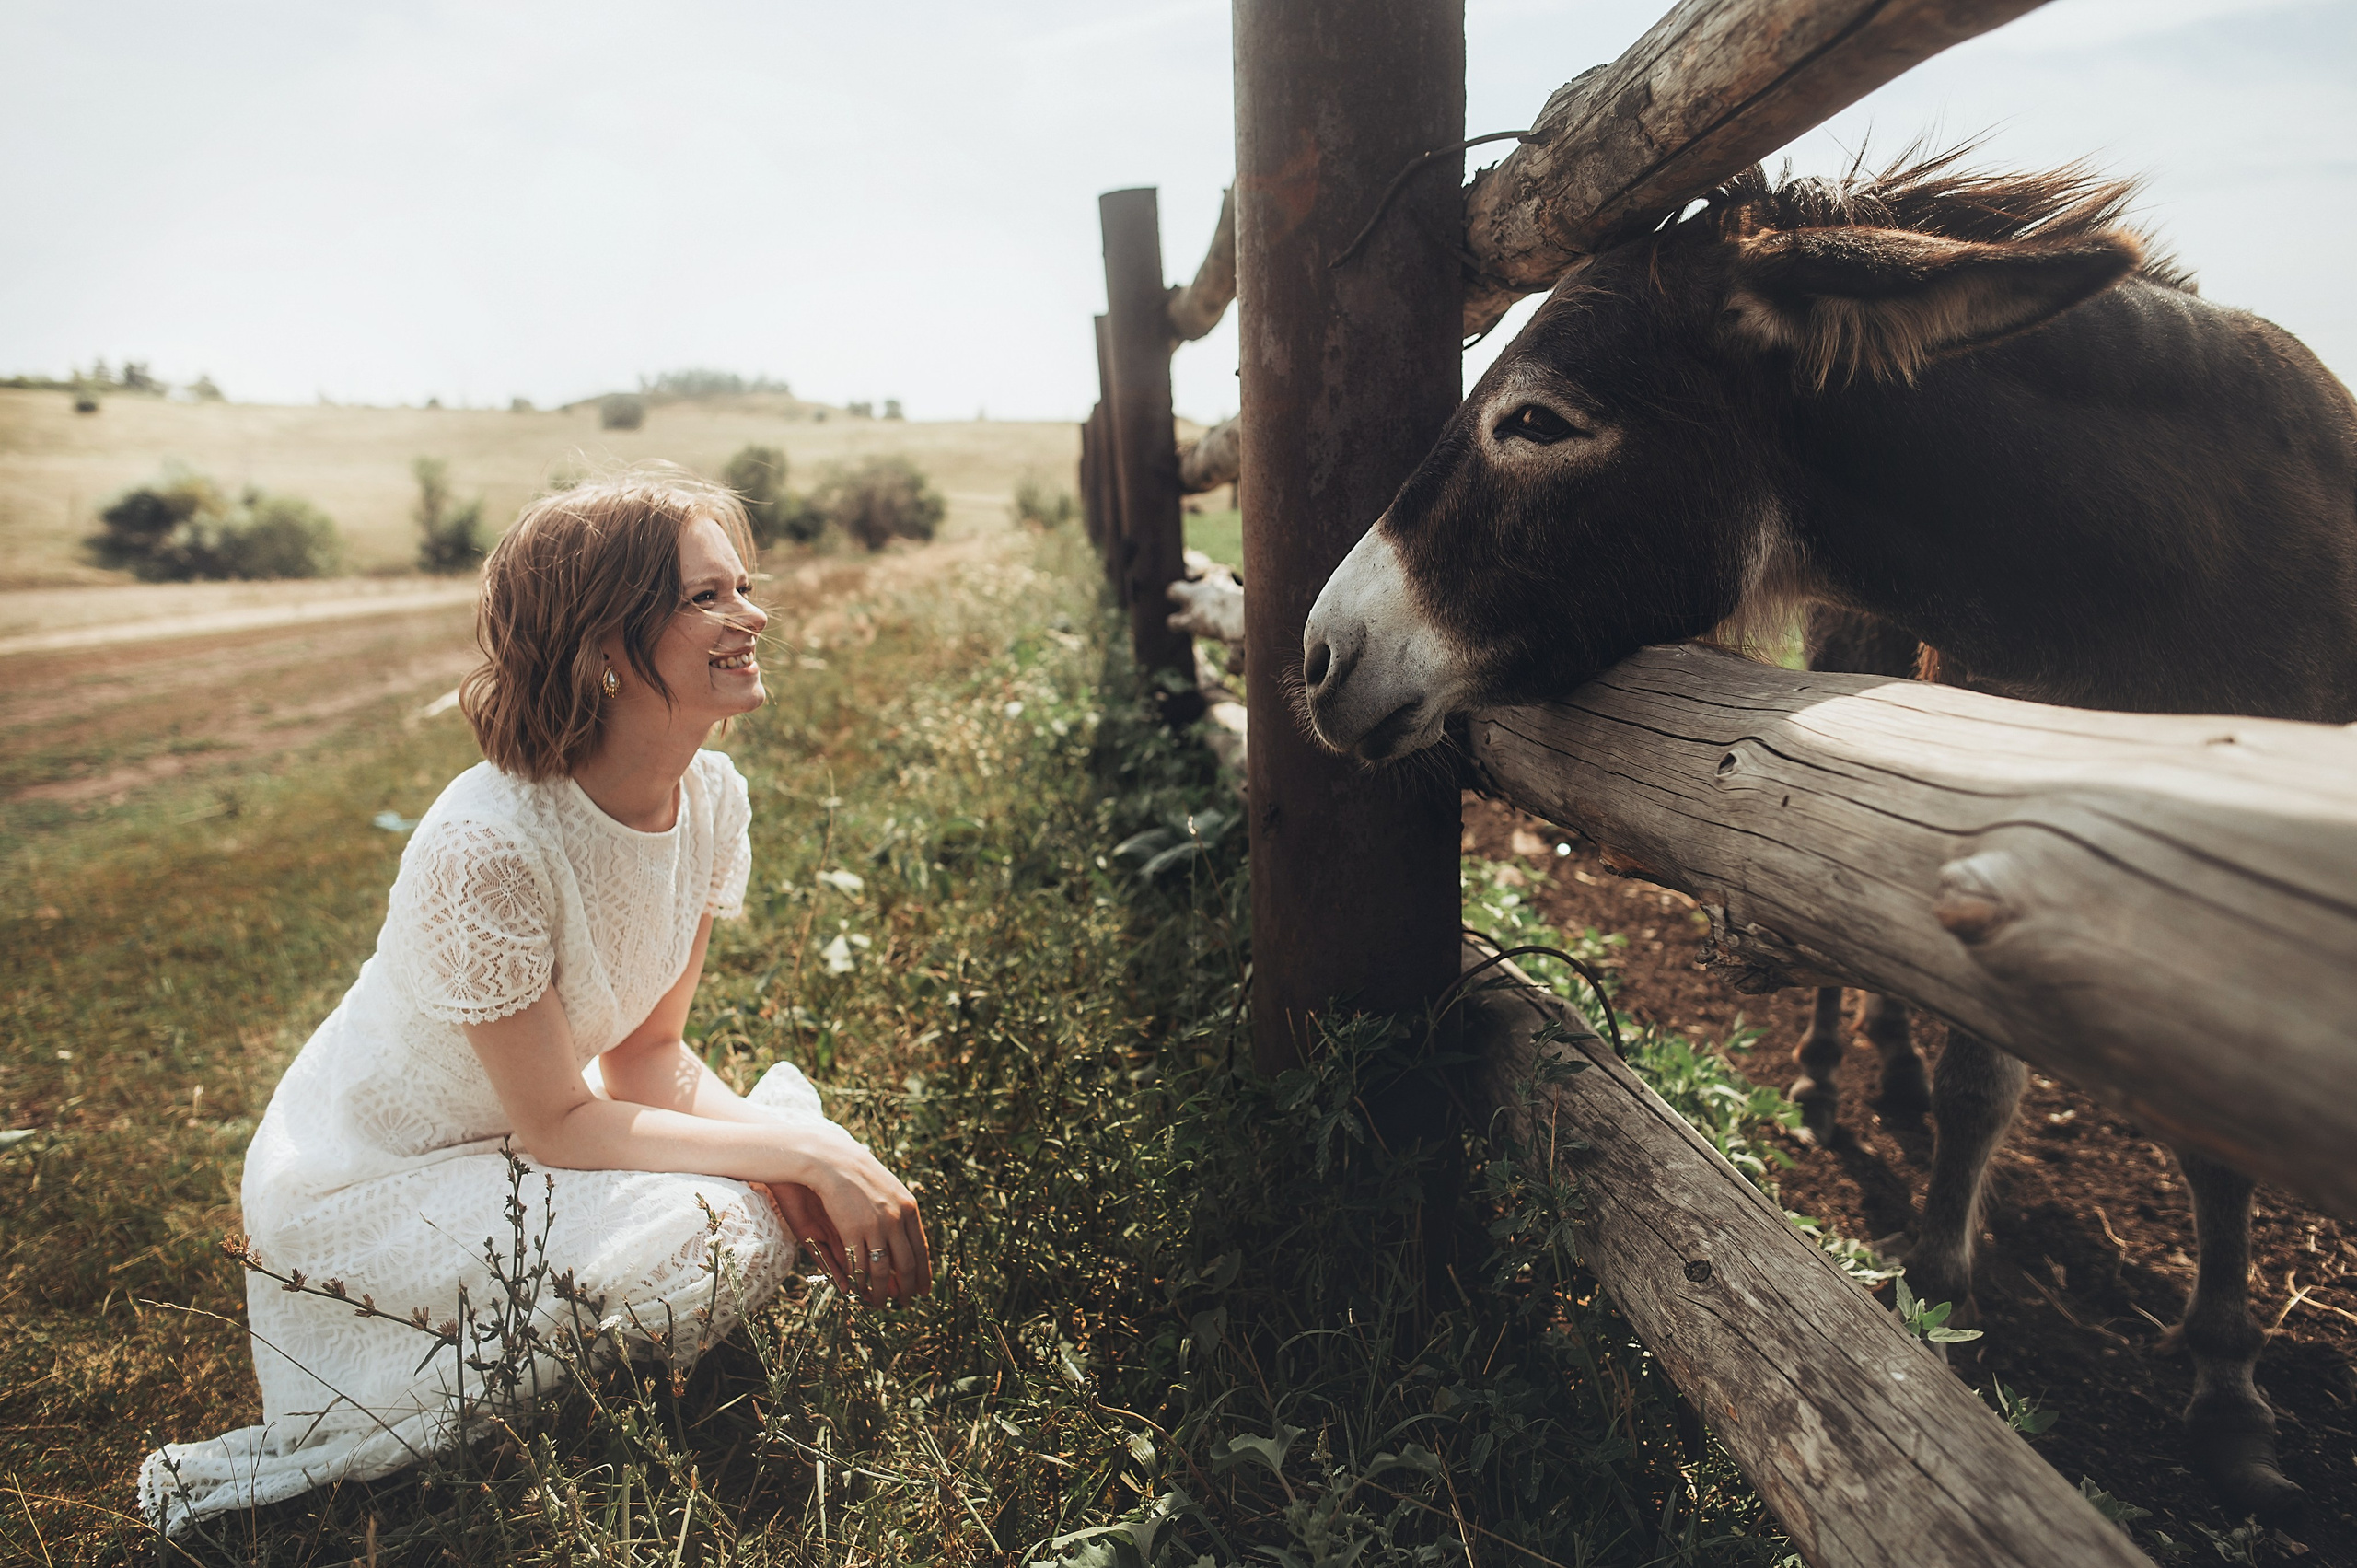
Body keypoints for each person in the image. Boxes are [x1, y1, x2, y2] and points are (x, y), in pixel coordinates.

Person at [140, 466, 928, 1534]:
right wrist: (798, 1158)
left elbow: (650, 1056)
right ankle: (494, 1440)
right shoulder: (488, 844)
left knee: (792, 1160)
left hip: (523, 1145)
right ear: (605, 641)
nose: (752, 615)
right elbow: (560, 1122)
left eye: (741, 586)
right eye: (706, 596)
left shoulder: (711, 800)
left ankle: (604, 1366)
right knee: (734, 1219)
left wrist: (813, 1148)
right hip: (370, 1187)